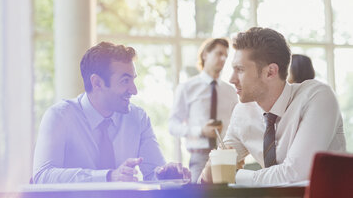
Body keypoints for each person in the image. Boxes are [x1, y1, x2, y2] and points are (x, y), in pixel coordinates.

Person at [199, 27, 346, 185]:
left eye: (240, 70)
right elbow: (216, 168)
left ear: (270, 72)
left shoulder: (317, 97)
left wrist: (233, 175)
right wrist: (211, 170)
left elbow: (295, 173)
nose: (231, 79)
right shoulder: (242, 112)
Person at [33, 42, 190, 183]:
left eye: (133, 80)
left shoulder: (138, 118)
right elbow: (43, 176)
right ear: (97, 83)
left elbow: (153, 174)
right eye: (125, 81)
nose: (134, 90)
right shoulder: (60, 116)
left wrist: (167, 176)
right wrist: (108, 177)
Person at [169, 38, 238, 183]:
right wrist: (200, 131)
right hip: (199, 158)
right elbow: (173, 126)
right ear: (205, 54)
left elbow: (237, 125)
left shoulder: (231, 91)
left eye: (225, 55)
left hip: (226, 158)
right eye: (219, 53)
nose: (223, 58)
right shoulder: (187, 87)